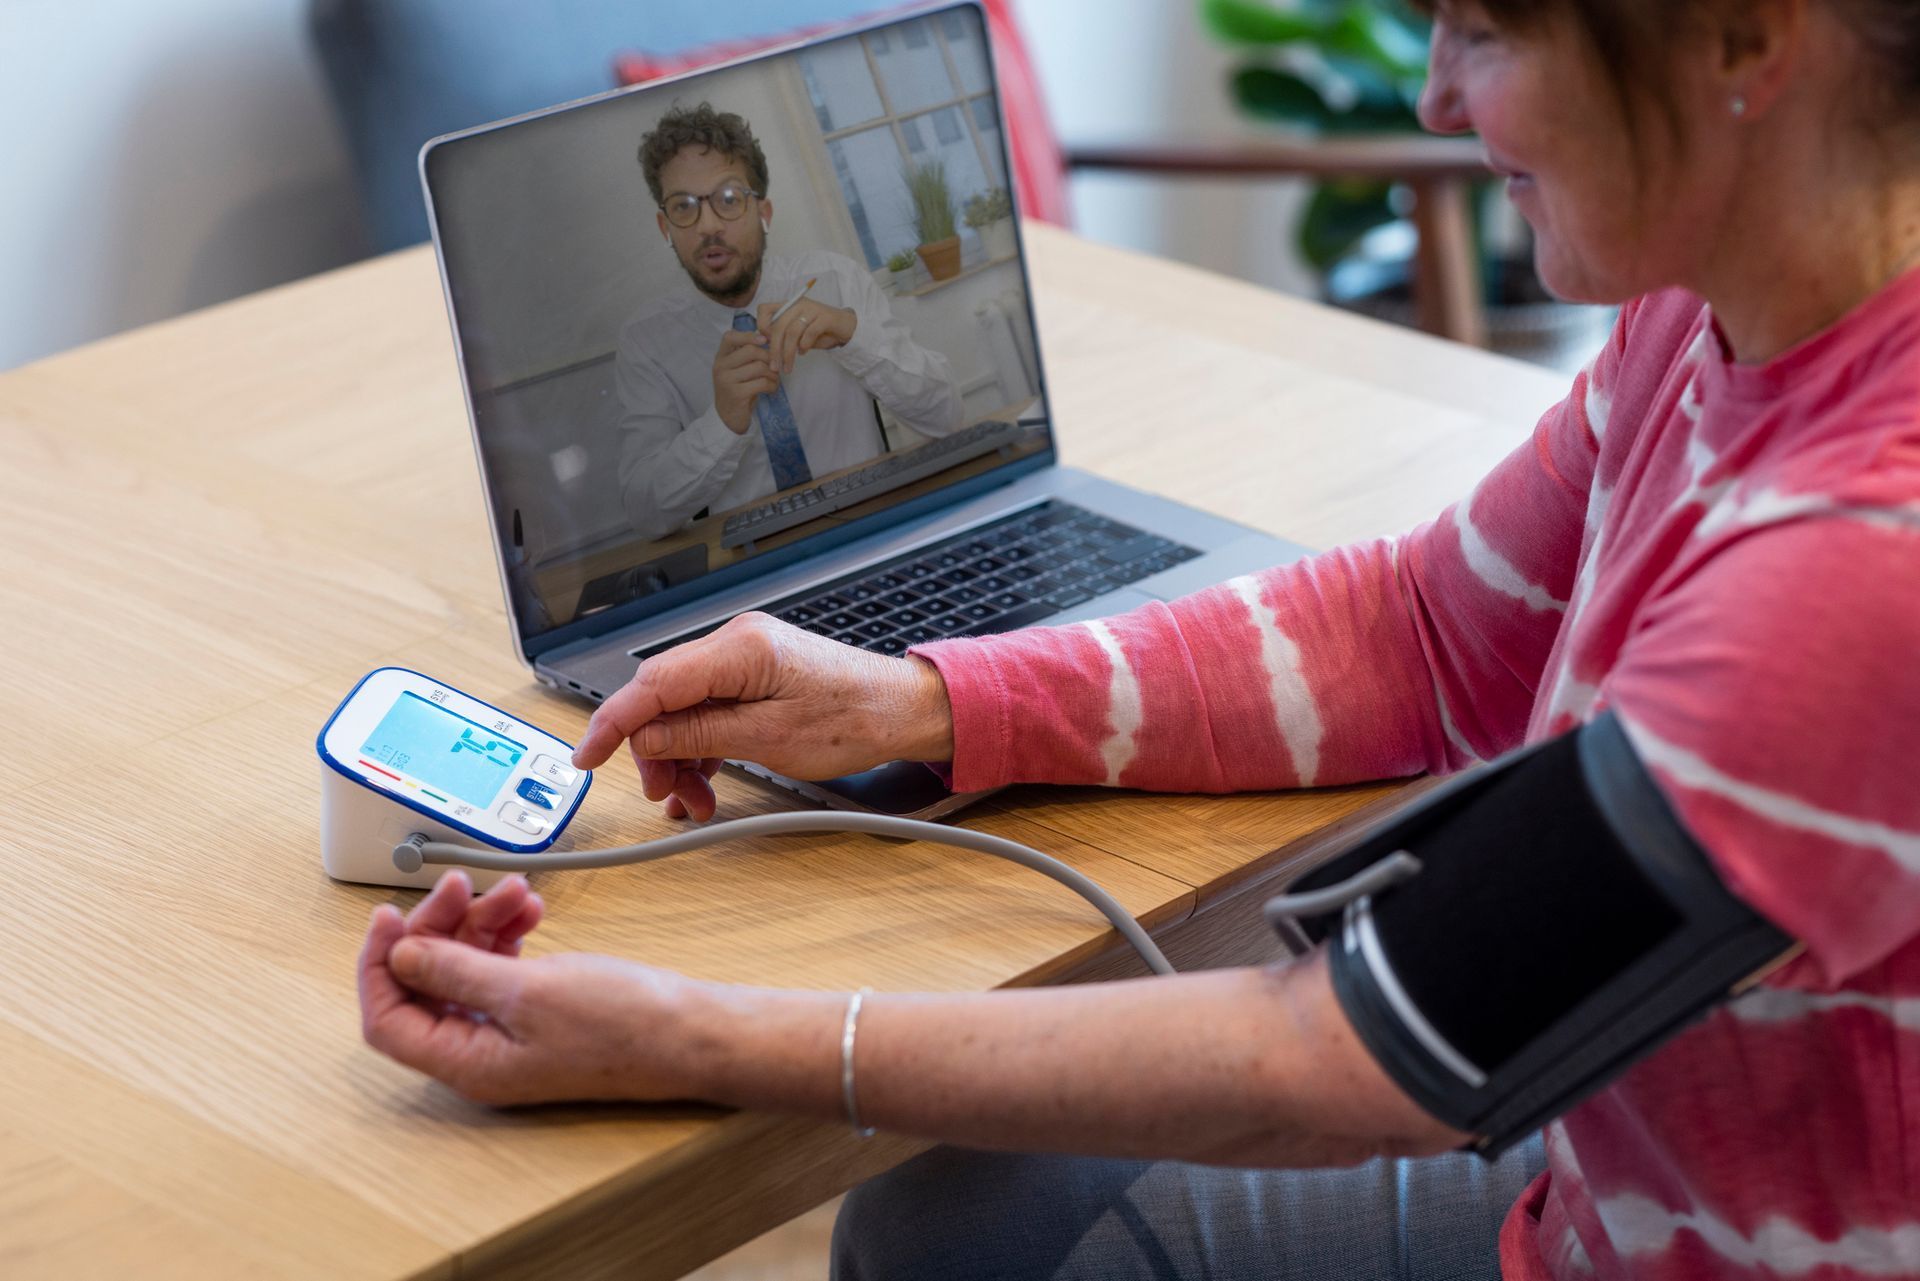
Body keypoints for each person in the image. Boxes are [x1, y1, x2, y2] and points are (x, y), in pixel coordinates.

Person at [357, 1, 1920, 1276]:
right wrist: (914, 699)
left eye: (1488, 28)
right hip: (1596, 1175)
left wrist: (690, 1033)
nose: (1439, 97)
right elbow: (1431, 633)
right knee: (946, 1226)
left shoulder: (1858, 571)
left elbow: (1349, 1062)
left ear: (1742, 39)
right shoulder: (1710, 307)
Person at [615, 103, 964, 541]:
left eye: (727, 199)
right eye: (684, 207)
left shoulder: (836, 281)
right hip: (751, 575)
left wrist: (852, 335)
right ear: (666, 228)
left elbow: (947, 416)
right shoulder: (647, 341)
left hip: (872, 533)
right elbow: (646, 512)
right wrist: (723, 421)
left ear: (764, 212)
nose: (707, 226)